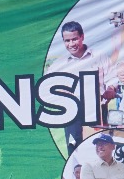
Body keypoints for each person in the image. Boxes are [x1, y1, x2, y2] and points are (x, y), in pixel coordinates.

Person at [47, 21, 115, 149]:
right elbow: (48, 87)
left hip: (98, 110)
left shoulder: (98, 56)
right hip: (72, 112)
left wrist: (111, 89)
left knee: (99, 147)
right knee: (74, 148)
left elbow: (113, 78)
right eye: (67, 41)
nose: (71, 44)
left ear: (82, 37)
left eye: (75, 39)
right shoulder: (59, 65)